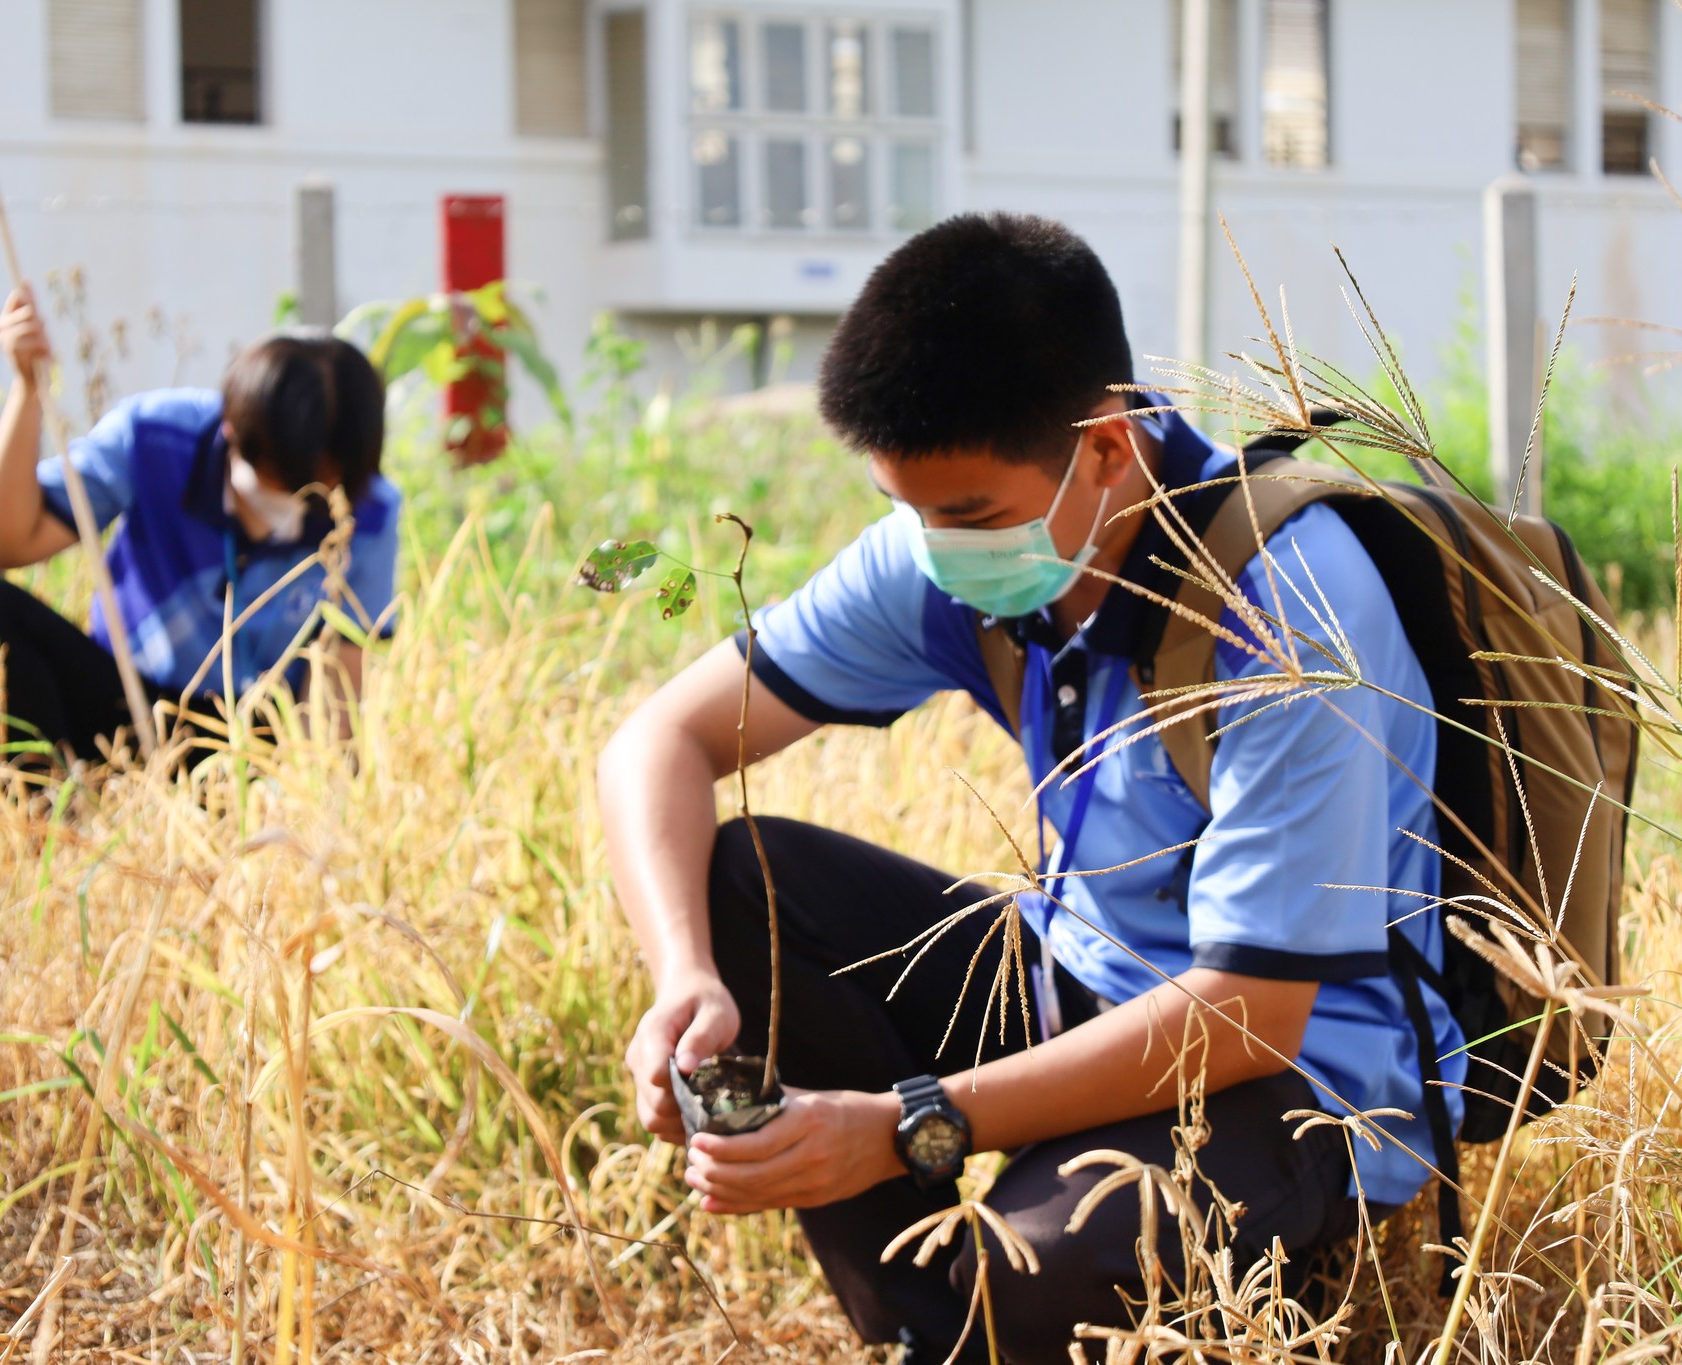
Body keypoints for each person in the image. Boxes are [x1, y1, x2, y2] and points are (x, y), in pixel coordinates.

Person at [597, 213, 1465, 1362]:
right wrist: (685, 980)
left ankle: (1008, 1314)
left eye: (967, 518)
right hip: (1082, 980)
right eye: (905, 509)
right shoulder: (955, 547)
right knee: (744, 882)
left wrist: (908, 1128)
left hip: (1294, 1075)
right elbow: (657, 742)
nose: (934, 548)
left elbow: (1249, 1010)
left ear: (1107, 448)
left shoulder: (1286, 606)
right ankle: (933, 1327)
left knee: (1020, 1288)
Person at [0, 286, 401, 766]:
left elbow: (337, 695)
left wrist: (305, 803)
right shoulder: (155, 439)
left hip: (252, 741)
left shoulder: (368, 513)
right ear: (231, 431)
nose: (290, 507)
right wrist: (27, 390)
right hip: (127, 708)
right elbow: (3, 544)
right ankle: (46, 825)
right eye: (276, 485)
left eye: (316, 491)